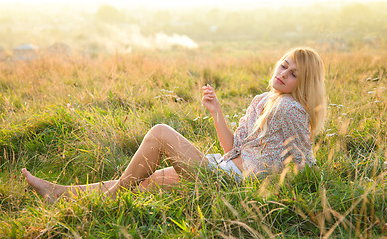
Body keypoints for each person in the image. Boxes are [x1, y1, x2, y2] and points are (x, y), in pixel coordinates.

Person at [21, 47, 326, 203]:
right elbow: (232, 149)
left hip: (228, 185)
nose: (283, 72)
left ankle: (106, 200)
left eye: (293, 73)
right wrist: (217, 111)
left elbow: (303, 163)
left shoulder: (290, 108)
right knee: (143, 181)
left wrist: (258, 188)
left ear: (304, 82)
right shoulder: (265, 98)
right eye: (284, 64)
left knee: (160, 133)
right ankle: (58, 191)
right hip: (220, 168)